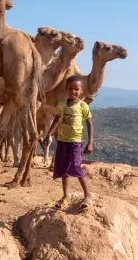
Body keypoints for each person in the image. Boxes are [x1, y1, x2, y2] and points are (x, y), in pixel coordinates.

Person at [44, 75, 93, 211]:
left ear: (81, 90)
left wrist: (90, 142)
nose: (73, 92)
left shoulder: (83, 106)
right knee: (63, 168)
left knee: (76, 167)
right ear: (66, 89)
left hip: (75, 142)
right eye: (70, 89)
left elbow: (89, 123)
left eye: (76, 89)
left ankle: (88, 196)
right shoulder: (62, 104)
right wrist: (49, 134)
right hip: (62, 141)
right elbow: (57, 119)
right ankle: (65, 196)